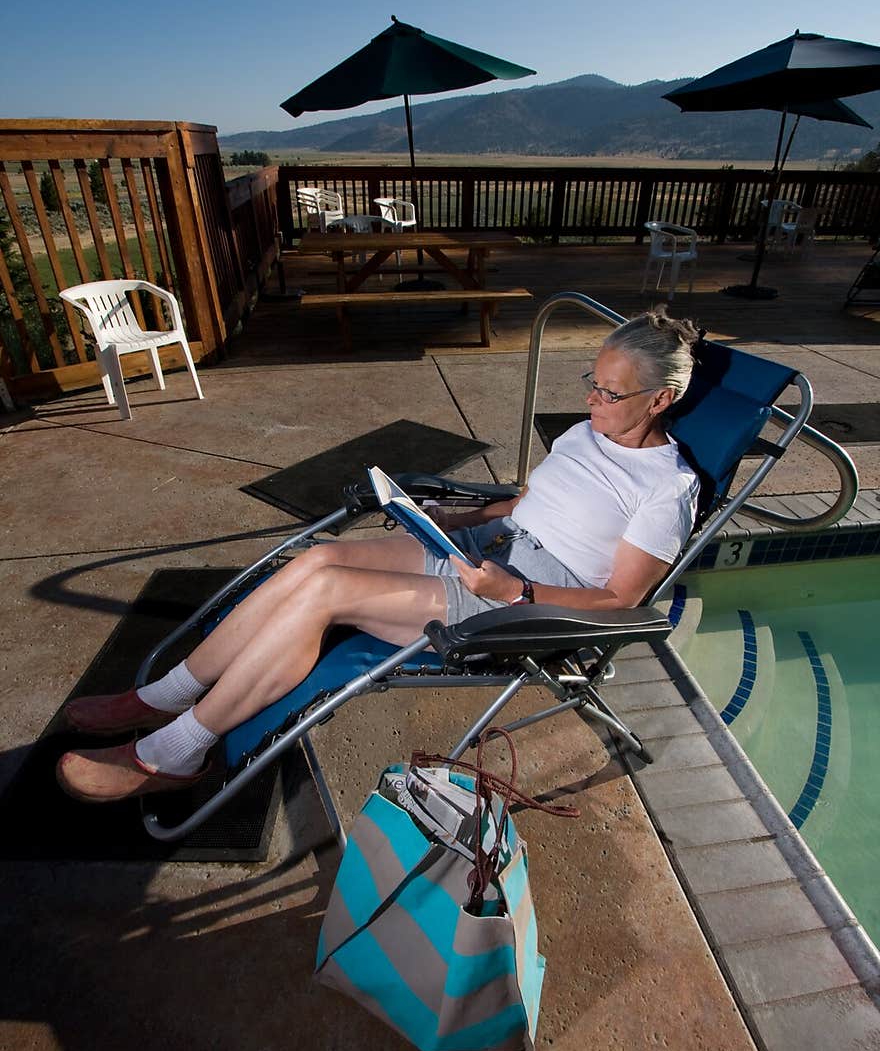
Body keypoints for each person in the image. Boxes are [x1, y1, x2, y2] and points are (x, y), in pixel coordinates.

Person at [57, 308, 702, 804]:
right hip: (484, 549)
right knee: (313, 562)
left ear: (660, 399)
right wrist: (464, 517)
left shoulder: (666, 490)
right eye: (593, 382)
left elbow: (622, 601)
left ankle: (178, 751)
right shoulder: (589, 430)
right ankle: (170, 693)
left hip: (520, 603)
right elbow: (531, 498)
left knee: (325, 595)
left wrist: (517, 595)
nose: (592, 399)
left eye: (610, 393)